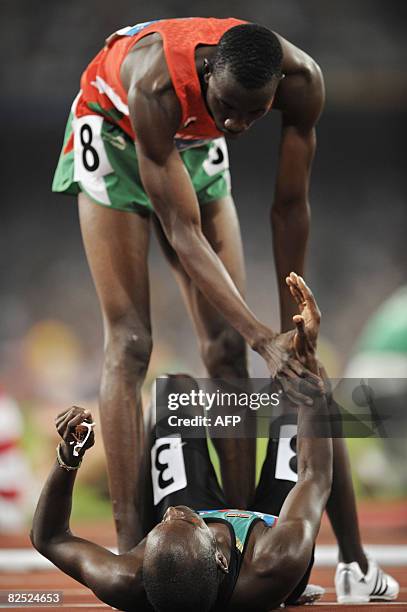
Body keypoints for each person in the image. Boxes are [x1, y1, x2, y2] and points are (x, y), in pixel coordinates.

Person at [52, 17, 324, 551]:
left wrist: (294, 319)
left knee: (225, 349)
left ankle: (243, 534)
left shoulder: (303, 82)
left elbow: (290, 206)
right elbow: (182, 231)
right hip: (115, 129)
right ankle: (131, 548)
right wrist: (261, 336)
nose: (239, 123)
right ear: (206, 71)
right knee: (131, 343)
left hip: (193, 141)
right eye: (228, 106)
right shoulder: (154, 82)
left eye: (254, 111)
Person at [31, 274, 399, 609]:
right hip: (270, 524)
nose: (173, 513)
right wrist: (309, 362)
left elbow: (50, 537)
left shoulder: (130, 578)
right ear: (221, 560)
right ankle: (357, 565)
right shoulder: (277, 560)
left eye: (160, 526)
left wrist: (68, 458)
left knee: (174, 389)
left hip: (185, 547)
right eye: (184, 522)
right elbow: (314, 476)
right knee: (302, 396)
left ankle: (154, 532)